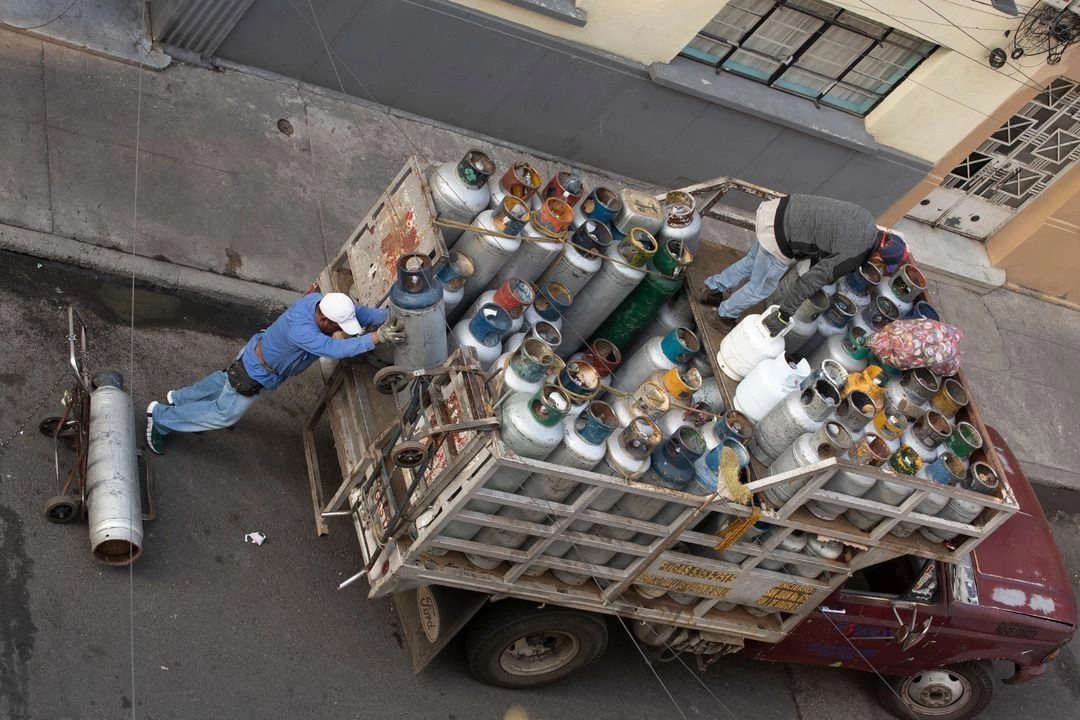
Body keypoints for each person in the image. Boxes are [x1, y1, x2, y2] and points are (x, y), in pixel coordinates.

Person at [145, 291, 405, 454]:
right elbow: (334, 348)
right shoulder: (303, 332)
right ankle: (161, 418)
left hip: (254, 355)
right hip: (256, 373)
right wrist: (375, 338)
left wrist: (385, 316)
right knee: (223, 414)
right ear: (324, 320)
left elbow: (355, 312)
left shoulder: (319, 301)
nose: (340, 328)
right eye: (337, 326)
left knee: (224, 380)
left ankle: (179, 398)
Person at [698, 194, 906, 336]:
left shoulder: (866, 219)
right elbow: (809, 281)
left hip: (779, 209)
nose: (877, 267)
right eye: (881, 264)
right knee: (760, 289)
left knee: (751, 262)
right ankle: (722, 316)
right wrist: (784, 313)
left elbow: (828, 230)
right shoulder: (854, 254)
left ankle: (711, 289)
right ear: (879, 257)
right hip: (781, 236)